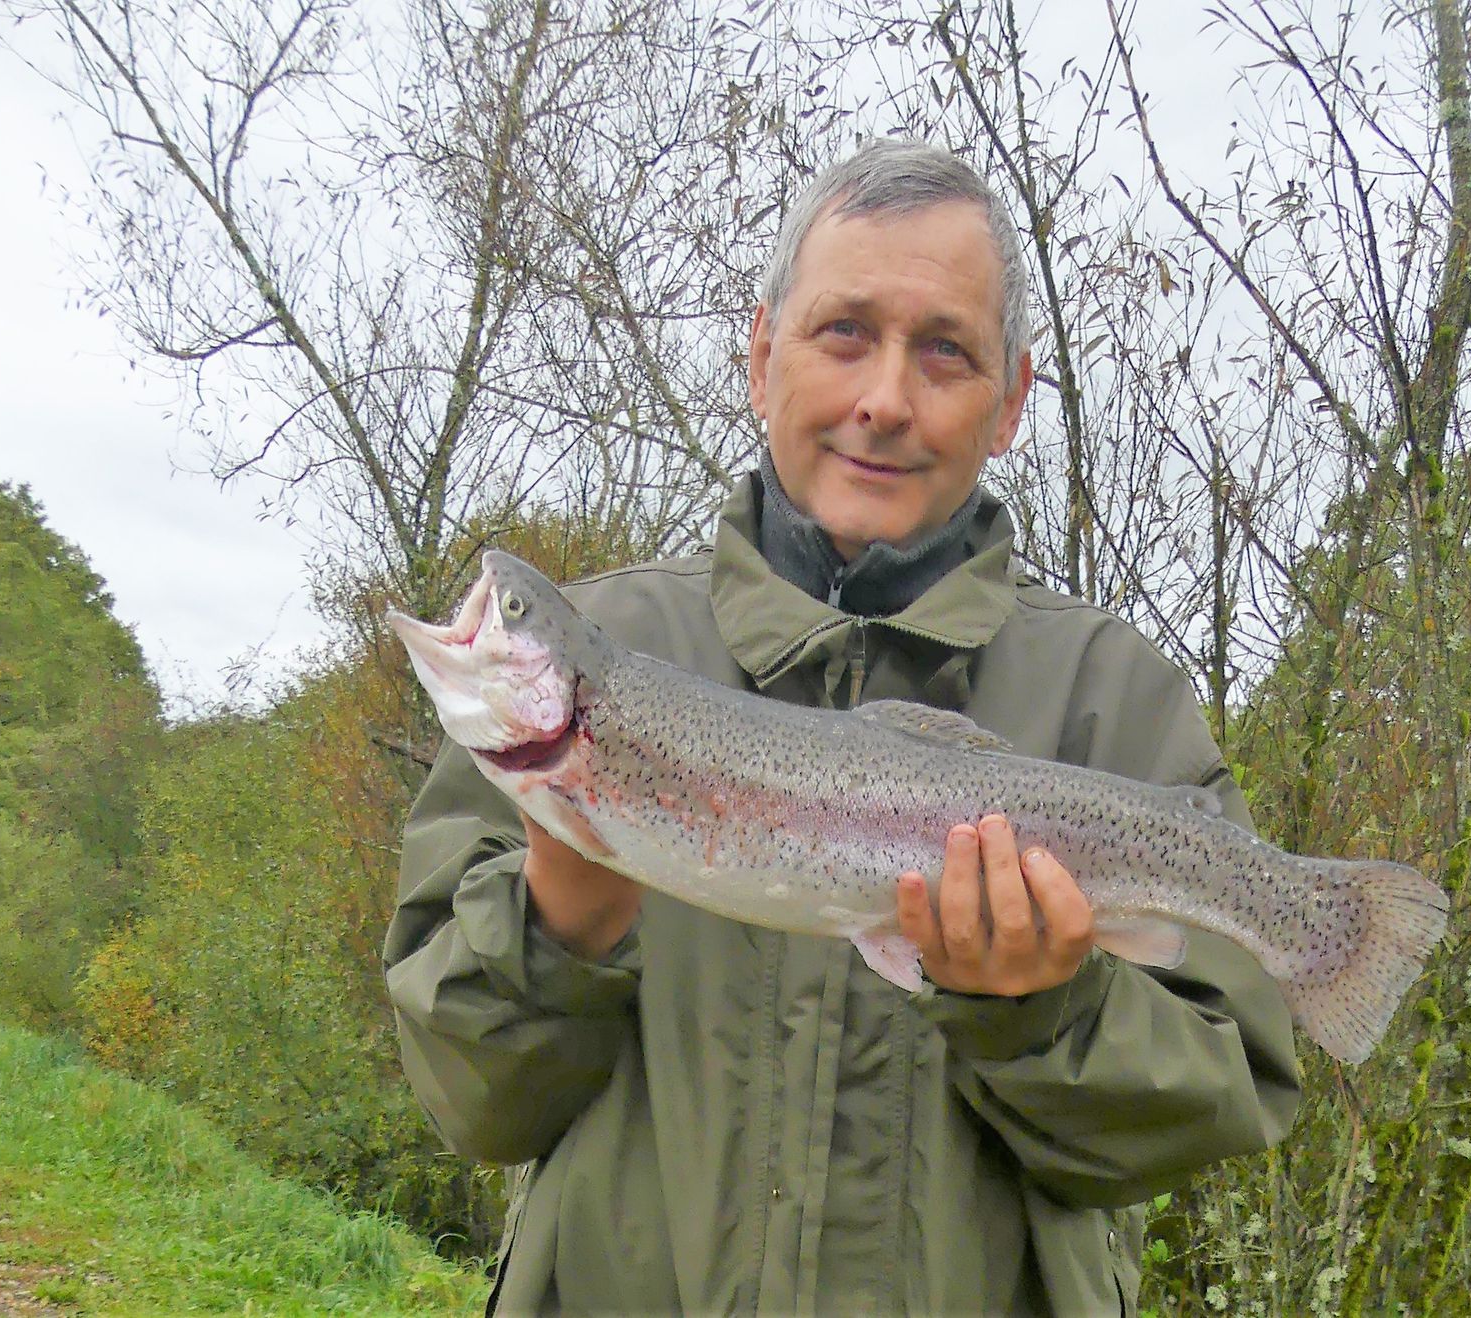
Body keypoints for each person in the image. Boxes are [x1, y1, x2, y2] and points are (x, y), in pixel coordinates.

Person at [383, 138, 1300, 1316]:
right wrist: (560, 923)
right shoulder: (605, 652)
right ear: (761, 356)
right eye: (844, 333)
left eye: (945, 351)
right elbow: (470, 1101)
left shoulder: (1111, 696)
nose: (885, 398)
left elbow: (1210, 1105)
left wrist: (1043, 1011)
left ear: (1011, 401)